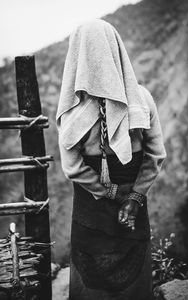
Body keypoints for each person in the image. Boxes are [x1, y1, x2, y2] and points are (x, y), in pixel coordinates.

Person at [56, 19, 166, 300]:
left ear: (77, 57)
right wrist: (133, 198)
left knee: (89, 286)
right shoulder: (142, 100)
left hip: (90, 212)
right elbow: (155, 155)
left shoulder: (72, 114)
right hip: (133, 211)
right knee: (134, 286)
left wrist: (111, 193)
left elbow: (72, 168)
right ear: (116, 50)